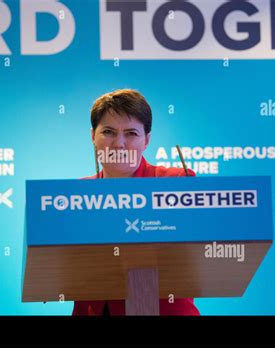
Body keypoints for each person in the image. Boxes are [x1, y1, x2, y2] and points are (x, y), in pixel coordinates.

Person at [72, 89, 200, 316]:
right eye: (108, 132)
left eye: (131, 133)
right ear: (93, 136)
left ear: (146, 140)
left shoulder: (175, 182)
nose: (119, 144)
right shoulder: (77, 194)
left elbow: (192, 256)